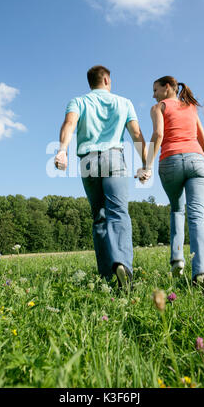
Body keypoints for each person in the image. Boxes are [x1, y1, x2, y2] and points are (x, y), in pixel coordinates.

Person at [54, 65, 148, 288]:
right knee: (119, 214)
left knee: (99, 216)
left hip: (87, 160)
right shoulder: (124, 102)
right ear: (106, 80)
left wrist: (62, 150)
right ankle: (122, 263)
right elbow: (136, 134)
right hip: (113, 158)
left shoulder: (78, 101)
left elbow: (69, 124)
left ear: (91, 82)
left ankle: (107, 275)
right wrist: (146, 164)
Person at [139, 76, 204, 293]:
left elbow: (159, 134)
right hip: (197, 161)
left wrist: (147, 166)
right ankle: (202, 273)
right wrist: (192, 153)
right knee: (197, 214)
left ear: (167, 87)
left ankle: (177, 259)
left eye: (155, 89)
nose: (153, 94)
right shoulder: (191, 107)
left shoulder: (158, 108)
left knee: (177, 209)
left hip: (169, 162)